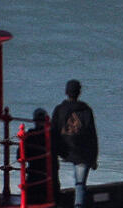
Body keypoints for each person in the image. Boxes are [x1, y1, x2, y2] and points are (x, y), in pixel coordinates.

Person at [51, 79, 98, 208]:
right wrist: (93, 158)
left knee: (54, 179)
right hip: (82, 153)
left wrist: (53, 152)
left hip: (63, 151)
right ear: (79, 92)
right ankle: (78, 205)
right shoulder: (86, 110)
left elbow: (53, 131)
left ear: (66, 92)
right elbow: (92, 136)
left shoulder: (59, 109)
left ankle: (56, 202)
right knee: (80, 184)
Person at [21, 108, 55, 206]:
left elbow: (20, 155)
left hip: (33, 175)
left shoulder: (29, 135)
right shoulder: (51, 134)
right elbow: (62, 150)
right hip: (49, 176)